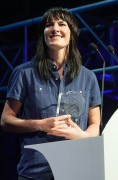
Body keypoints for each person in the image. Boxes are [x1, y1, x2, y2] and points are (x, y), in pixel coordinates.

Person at [0, 7, 101, 180]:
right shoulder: (25, 73)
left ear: (71, 34)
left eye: (61, 24)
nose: (55, 28)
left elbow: (95, 126)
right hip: (35, 172)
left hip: (77, 171)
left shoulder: (88, 77)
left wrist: (82, 136)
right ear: (44, 34)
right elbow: (6, 120)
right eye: (49, 25)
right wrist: (41, 125)